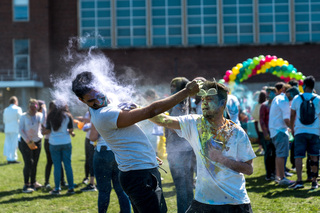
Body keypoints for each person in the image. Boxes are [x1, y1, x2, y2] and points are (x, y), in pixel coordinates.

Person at [71, 71, 199, 213]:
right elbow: (151, 111)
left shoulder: (108, 107)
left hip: (139, 171)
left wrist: (145, 154)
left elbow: (125, 137)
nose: (97, 102)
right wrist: (186, 92)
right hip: (139, 175)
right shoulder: (103, 115)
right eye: (91, 101)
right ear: (82, 100)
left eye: (99, 96)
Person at [151, 80, 256, 213]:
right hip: (204, 201)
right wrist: (139, 110)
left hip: (234, 203)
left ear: (223, 103)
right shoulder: (194, 123)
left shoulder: (237, 133)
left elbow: (249, 169)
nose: (204, 103)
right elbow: (163, 120)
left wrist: (222, 159)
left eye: (210, 99)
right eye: (203, 99)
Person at [165, 77, 195, 213]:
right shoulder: (187, 103)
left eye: (174, 87)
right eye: (171, 87)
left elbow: (175, 128)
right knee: (188, 185)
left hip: (177, 151)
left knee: (181, 186)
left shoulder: (177, 106)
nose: (171, 90)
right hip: (187, 149)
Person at [90, 123, 131, 213]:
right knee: (121, 188)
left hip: (103, 152)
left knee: (104, 190)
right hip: (118, 152)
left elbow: (93, 137)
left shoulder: (99, 114)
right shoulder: (119, 111)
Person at [289, 76, 320, 189]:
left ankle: (299, 181)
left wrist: (292, 128)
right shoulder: (318, 99)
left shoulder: (297, 98)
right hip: (315, 132)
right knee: (314, 157)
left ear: (305, 85)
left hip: (300, 131)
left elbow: (292, 115)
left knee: (298, 156)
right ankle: (314, 181)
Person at [42, 100, 76, 195]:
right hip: (66, 142)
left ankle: (57, 189)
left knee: (57, 166)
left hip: (54, 143)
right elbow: (71, 129)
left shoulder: (50, 116)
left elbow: (48, 131)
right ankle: (71, 188)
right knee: (68, 165)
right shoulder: (68, 115)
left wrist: (43, 132)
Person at [269, 83, 294, 186]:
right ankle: (282, 178)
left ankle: (278, 176)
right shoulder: (284, 101)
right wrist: (293, 128)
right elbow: (287, 119)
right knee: (281, 155)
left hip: (275, 130)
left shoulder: (277, 98)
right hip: (280, 131)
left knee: (279, 155)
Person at [19, 99, 43, 193]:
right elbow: (20, 129)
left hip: (37, 141)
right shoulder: (23, 116)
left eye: (35, 106)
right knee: (29, 162)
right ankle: (26, 184)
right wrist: (27, 140)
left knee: (35, 163)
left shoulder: (39, 116)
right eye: (31, 106)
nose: (33, 108)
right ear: (28, 107)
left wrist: (43, 109)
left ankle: (33, 182)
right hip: (26, 142)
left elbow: (44, 121)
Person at [41, 100, 67, 189]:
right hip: (51, 141)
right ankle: (61, 181)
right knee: (57, 162)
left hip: (49, 141)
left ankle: (49, 182)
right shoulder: (51, 116)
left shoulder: (49, 116)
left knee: (51, 162)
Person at [259, 87, 276, 181]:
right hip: (267, 132)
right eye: (268, 93)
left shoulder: (276, 104)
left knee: (275, 153)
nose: (269, 95)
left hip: (275, 132)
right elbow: (262, 120)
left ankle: (275, 172)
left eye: (271, 93)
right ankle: (269, 174)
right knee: (268, 153)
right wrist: (265, 133)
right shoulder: (264, 105)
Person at [3, 96, 22, 164]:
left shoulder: (6, 109)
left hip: (7, 129)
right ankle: (13, 158)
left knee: (8, 144)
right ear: (15, 102)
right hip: (15, 128)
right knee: (14, 144)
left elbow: (4, 120)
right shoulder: (18, 109)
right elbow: (21, 119)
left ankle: (9, 158)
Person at [251, 90, 266, 155]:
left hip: (260, 123)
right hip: (267, 124)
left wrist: (258, 119)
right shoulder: (267, 104)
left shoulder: (257, 105)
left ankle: (264, 149)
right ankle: (265, 149)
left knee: (262, 137)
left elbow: (254, 115)